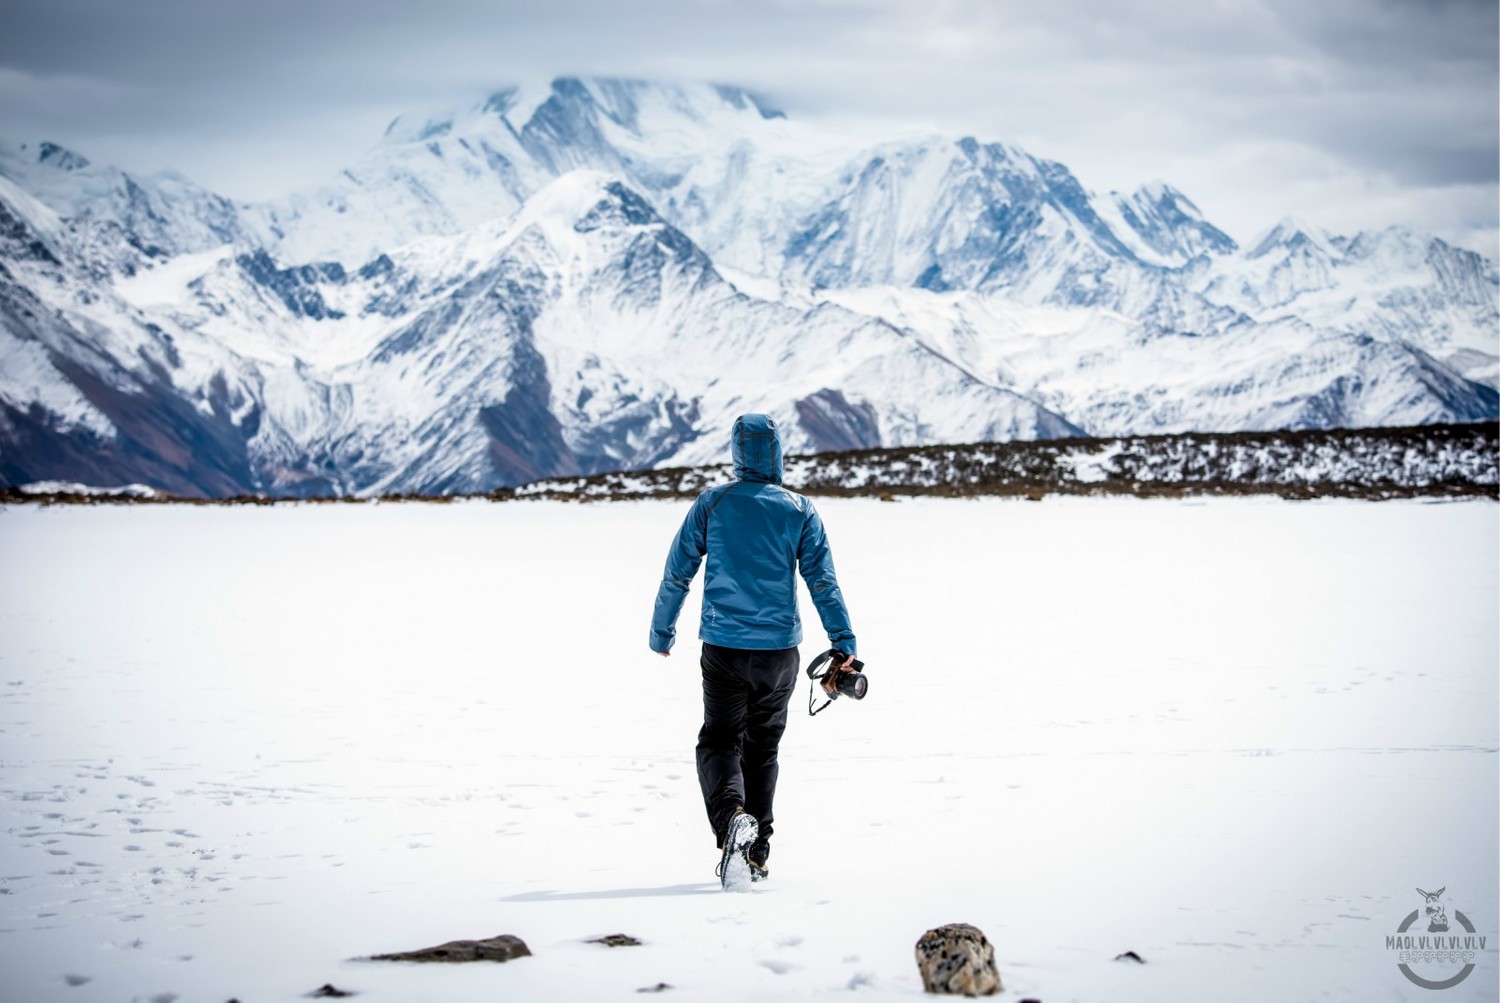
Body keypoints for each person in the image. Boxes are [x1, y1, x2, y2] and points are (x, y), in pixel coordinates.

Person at [649, 413, 858, 889]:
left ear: (737, 453)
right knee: (762, 750)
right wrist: (843, 643)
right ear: (778, 453)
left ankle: (731, 823)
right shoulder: (800, 509)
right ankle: (757, 852)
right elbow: (822, 581)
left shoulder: (713, 503)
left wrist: (662, 633)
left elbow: (677, 572)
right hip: (780, 654)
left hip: (723, 648)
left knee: (719, 742)